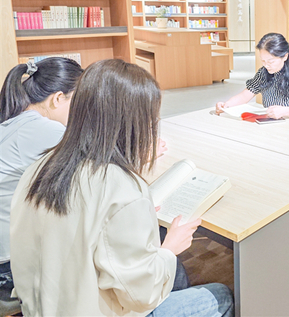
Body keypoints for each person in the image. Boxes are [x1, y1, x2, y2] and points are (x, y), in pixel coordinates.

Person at [10, 59, 233, 317]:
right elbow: (141, 296)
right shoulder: (120, 187)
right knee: (222, 296)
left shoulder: (39, 168)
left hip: (38, 308)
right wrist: (169, 249)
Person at [0, 57, 83, 295]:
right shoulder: (44, 130)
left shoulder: (12, 121)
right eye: (78, 102)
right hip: (10, 267)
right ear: (58, 98)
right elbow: (95, 171)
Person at [216, 32, 289, 118]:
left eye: (270, 61)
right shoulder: (264, 72)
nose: (266, 65)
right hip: (271, 123)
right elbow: (245, 95)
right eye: (263, 61)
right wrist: (226, 105)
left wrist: (284, 111)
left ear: (285, 56)